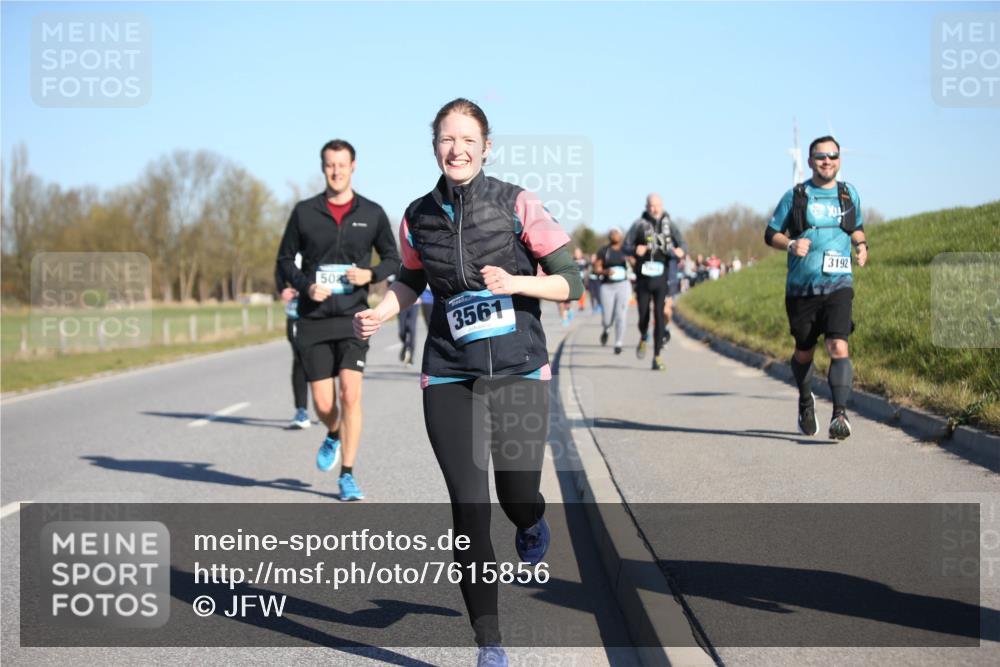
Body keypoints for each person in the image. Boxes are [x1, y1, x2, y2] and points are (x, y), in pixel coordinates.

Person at [354, 98, 583, 667]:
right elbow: (409, 280)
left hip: (519, 370)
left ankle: (531, 523)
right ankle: (489, 644)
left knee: (516, 494)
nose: (456, 149)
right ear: (435, 147)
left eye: (467, 139)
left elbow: (570, 281)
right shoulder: (417, 215)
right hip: (448, 371)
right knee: (469, 505)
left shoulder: (516, 203)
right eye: (445, 140)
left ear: (486, 146)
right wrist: (382, 313)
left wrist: (517, 284)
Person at [276, 139, 400, 500]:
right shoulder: (304, 212)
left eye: (342, 164)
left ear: (353, 166)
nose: (336, 170)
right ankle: (332, 432)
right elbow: (285, 260)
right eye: (330, 164)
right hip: (314, 319)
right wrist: (305, 286)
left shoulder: (372, 213)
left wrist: (371, 275)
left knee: (350, 394)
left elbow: (395, 260)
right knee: (325, 405)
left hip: (354, 318)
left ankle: (347, 474)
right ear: (323, 168)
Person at [765, 135, 867, 440]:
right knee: (804, 352)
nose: (827, 161)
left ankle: (840, 415)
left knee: (838, 345)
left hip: (839, 284)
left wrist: (861, 246)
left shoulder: (849, 194)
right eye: (821, 156)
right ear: (810, 162)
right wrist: (791, 243)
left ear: (839, 160)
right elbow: (770, 234)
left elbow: (857, 227)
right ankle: (805, 400)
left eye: (833, 156)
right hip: (801, 288)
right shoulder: (796, 195)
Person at [624, 193, 687, 370]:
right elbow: (625, 247)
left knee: (659, 316)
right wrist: (636, 249)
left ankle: (657, 356)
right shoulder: (638, 225)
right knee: (643, 316)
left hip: (662, 276)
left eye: (657, 205)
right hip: (643, 278)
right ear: (646, 206)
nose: (655, 208)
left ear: (662, 205)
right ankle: (643, 336)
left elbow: (683, 245)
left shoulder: (670, 225)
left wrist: (680, 251)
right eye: (651, 205)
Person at [276, 254, 310, 429]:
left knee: (325, 362)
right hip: (295, 314)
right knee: (299, 360)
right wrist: (282, 288)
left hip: (322, 314)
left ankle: (328, 406)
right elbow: (279, 269)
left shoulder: (324, 239)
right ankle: (301, 410)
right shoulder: (291, 251)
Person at [594, 227, 630, 354]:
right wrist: (605, 271)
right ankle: (606, 329)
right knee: (607, 317)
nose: (614, 235)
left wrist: (632, 261)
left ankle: (618, 342)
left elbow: (635, 264)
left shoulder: (626, 250)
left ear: (621, 236)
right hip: (607, 286)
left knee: (621, 314)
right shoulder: (604, 251)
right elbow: (596, 268)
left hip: (623, 285)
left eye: (616, 233)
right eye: (611, 233)